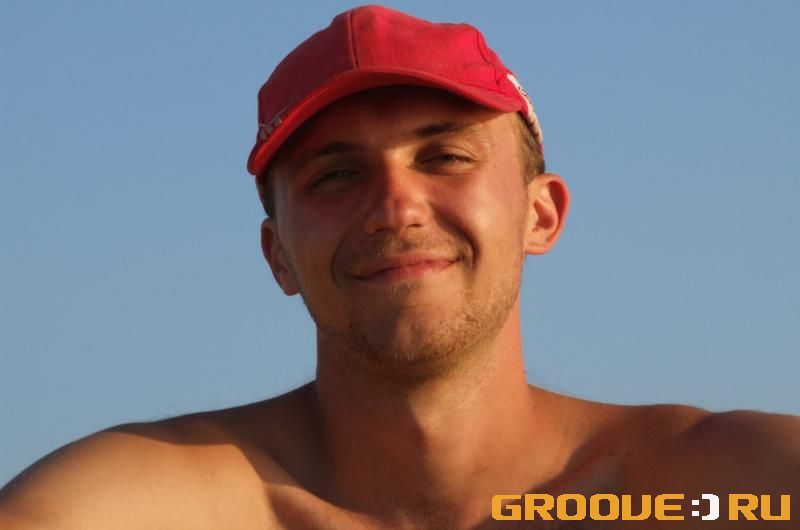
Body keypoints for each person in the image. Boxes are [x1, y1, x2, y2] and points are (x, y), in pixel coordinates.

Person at [1, 5, 798, 529]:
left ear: (540, 214)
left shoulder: (711, 495)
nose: (394, 208)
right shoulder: (163, 507)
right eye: (334, 176)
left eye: (444, 156)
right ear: (279, 255)